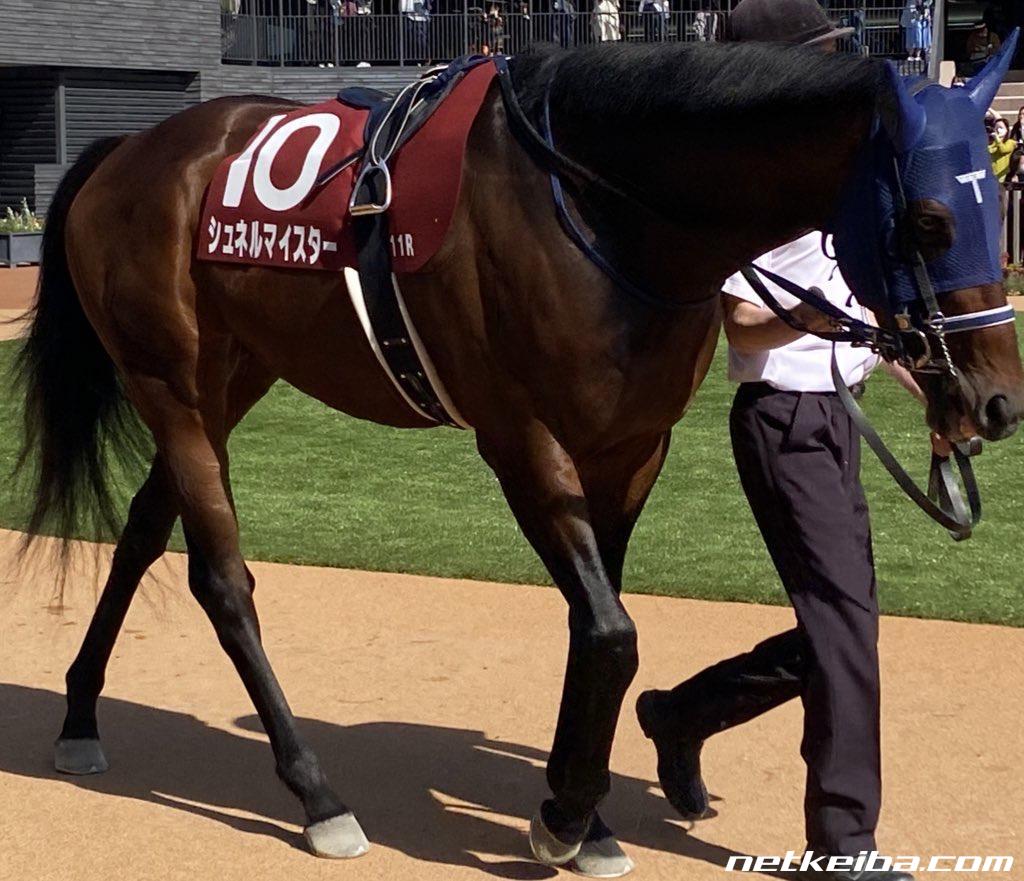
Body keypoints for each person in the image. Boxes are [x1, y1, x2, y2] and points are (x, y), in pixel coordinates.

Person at [637, 2, 942, 879]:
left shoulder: (827, 171)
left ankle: (685, 713)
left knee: (838, 630)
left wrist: (925, 392)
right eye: (815, 62)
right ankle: (844, 845)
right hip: (782, 420)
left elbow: (866, 310)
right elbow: (739, 321)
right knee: (845, 627)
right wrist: (825, 323)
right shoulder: (740, 185)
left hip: (832, 416)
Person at [989, 116, 1017, 183]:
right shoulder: (992, 143)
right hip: (991, 176)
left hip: (1002, 177)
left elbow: (1003, 150)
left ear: (1006, 130)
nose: (998, 130)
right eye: (996, 128)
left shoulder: (1011, 142)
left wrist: (998, 139)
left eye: (1001, 128)